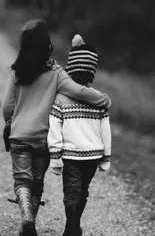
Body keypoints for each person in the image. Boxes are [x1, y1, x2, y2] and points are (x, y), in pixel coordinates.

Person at [1, 21, 111, 236]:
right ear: (48, 47)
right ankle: (29, 223)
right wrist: (104, 100)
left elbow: (7, 106)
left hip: (19, 137)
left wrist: (9, 122)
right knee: (37, 181)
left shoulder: (16, 73)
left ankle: (28, 220)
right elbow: (79, 91)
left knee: (22, 179)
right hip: (43, 139)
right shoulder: (56, 73)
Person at [48, 34, 112, 236]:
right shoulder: (99, 100)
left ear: (70, 68)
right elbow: (105, 131)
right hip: (93, 155)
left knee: (72, 192)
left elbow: (54, 126)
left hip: (70, 155)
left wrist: (55, 155)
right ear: (92, 71)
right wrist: (106, 157)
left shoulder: (61, 98)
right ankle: (73, 227)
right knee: (82, 191)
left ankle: (72, 227)